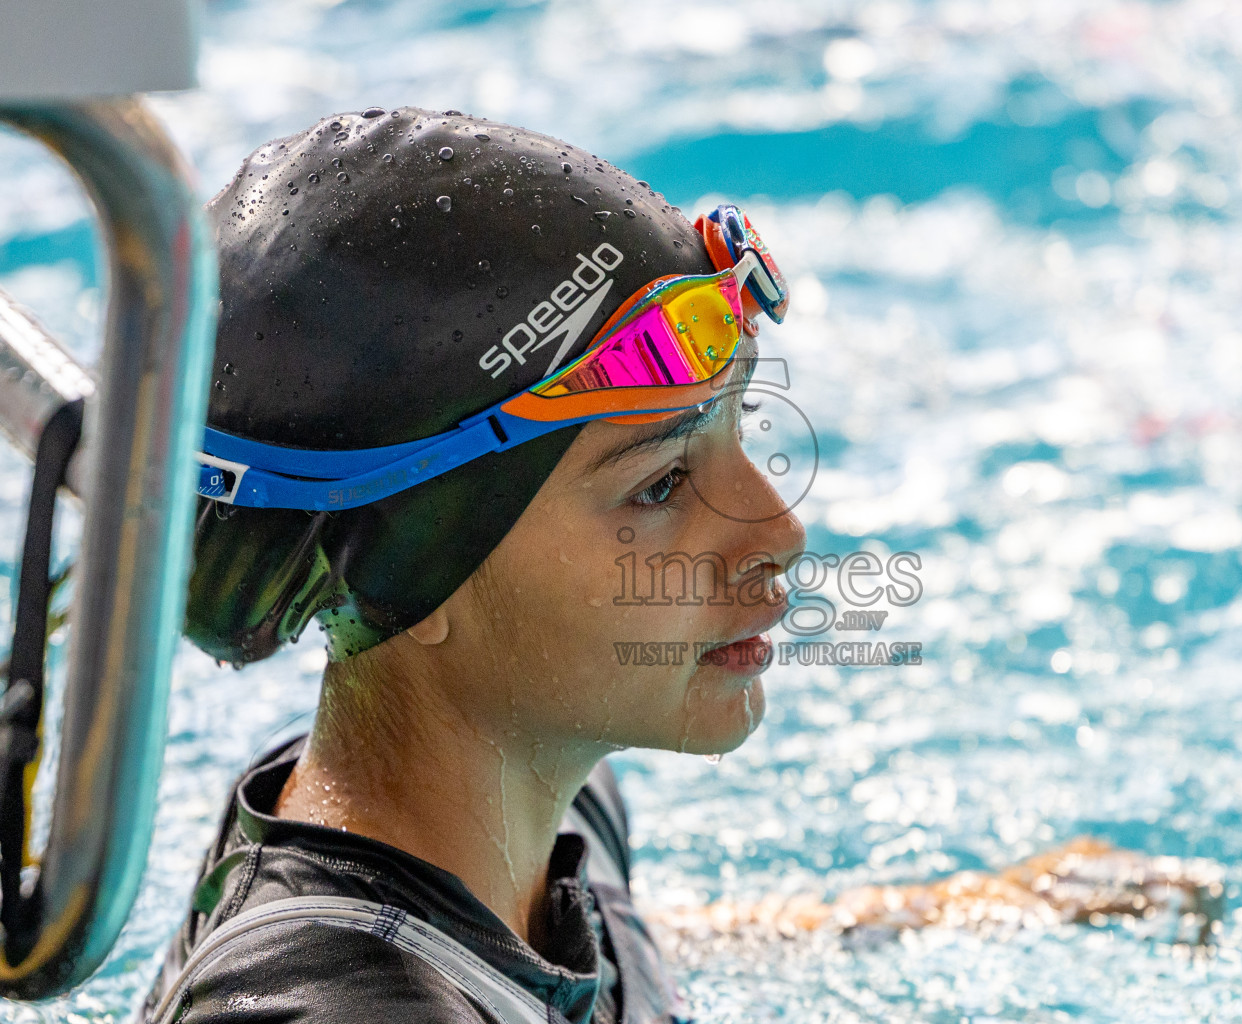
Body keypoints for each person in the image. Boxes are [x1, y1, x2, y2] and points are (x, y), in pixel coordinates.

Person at [142, 106, 800, 1024]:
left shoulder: (539, 798)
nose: (779, 530)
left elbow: (606, 950)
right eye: (660, 486)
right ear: (416, 572)